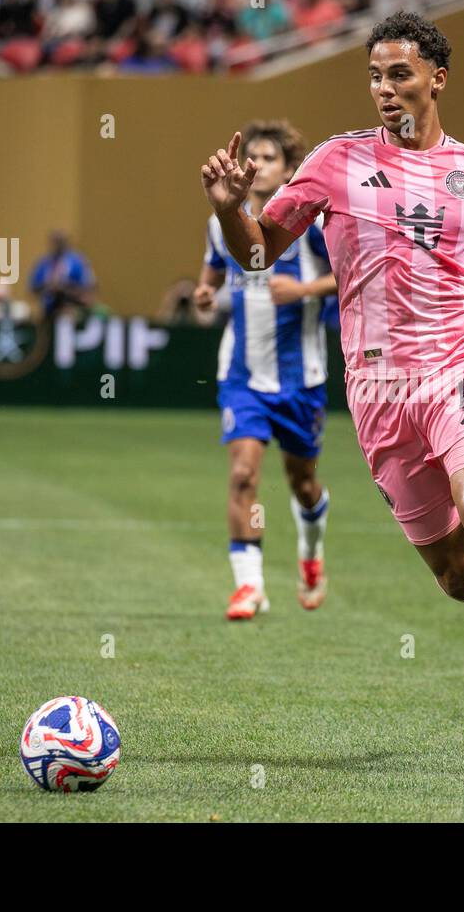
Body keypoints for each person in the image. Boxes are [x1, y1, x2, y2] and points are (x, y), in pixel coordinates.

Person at [199, 12, 464, 766]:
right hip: (378, 392)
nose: (385, 89)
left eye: (399, 73)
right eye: (374, 75)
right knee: (458, 576)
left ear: (437, 78)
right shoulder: (334, 163)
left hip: (463, 364)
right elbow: (260, 253)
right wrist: (232, 208)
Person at [194, 119, 338, 620]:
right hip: (242, 374)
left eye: (269, 158)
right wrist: (206, 290)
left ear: (290, 169)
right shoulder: (222, 219)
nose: (256, 165)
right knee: (242, 473)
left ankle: (311, 550)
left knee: (302, 484)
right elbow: (215, 263)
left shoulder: (312, 224)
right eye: (249, 156)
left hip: (302, 378)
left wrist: (302, 290)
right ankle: (249, 585)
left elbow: (351, 273)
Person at [30, 231, 95, 321]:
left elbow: (88, 287)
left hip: (72, 309)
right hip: (49, 310)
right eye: (56, 241)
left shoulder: (77, 262)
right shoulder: (44, 263)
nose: (58, 245)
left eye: (61, 241)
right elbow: (34, 287)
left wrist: (65, 289)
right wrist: (49, 287)